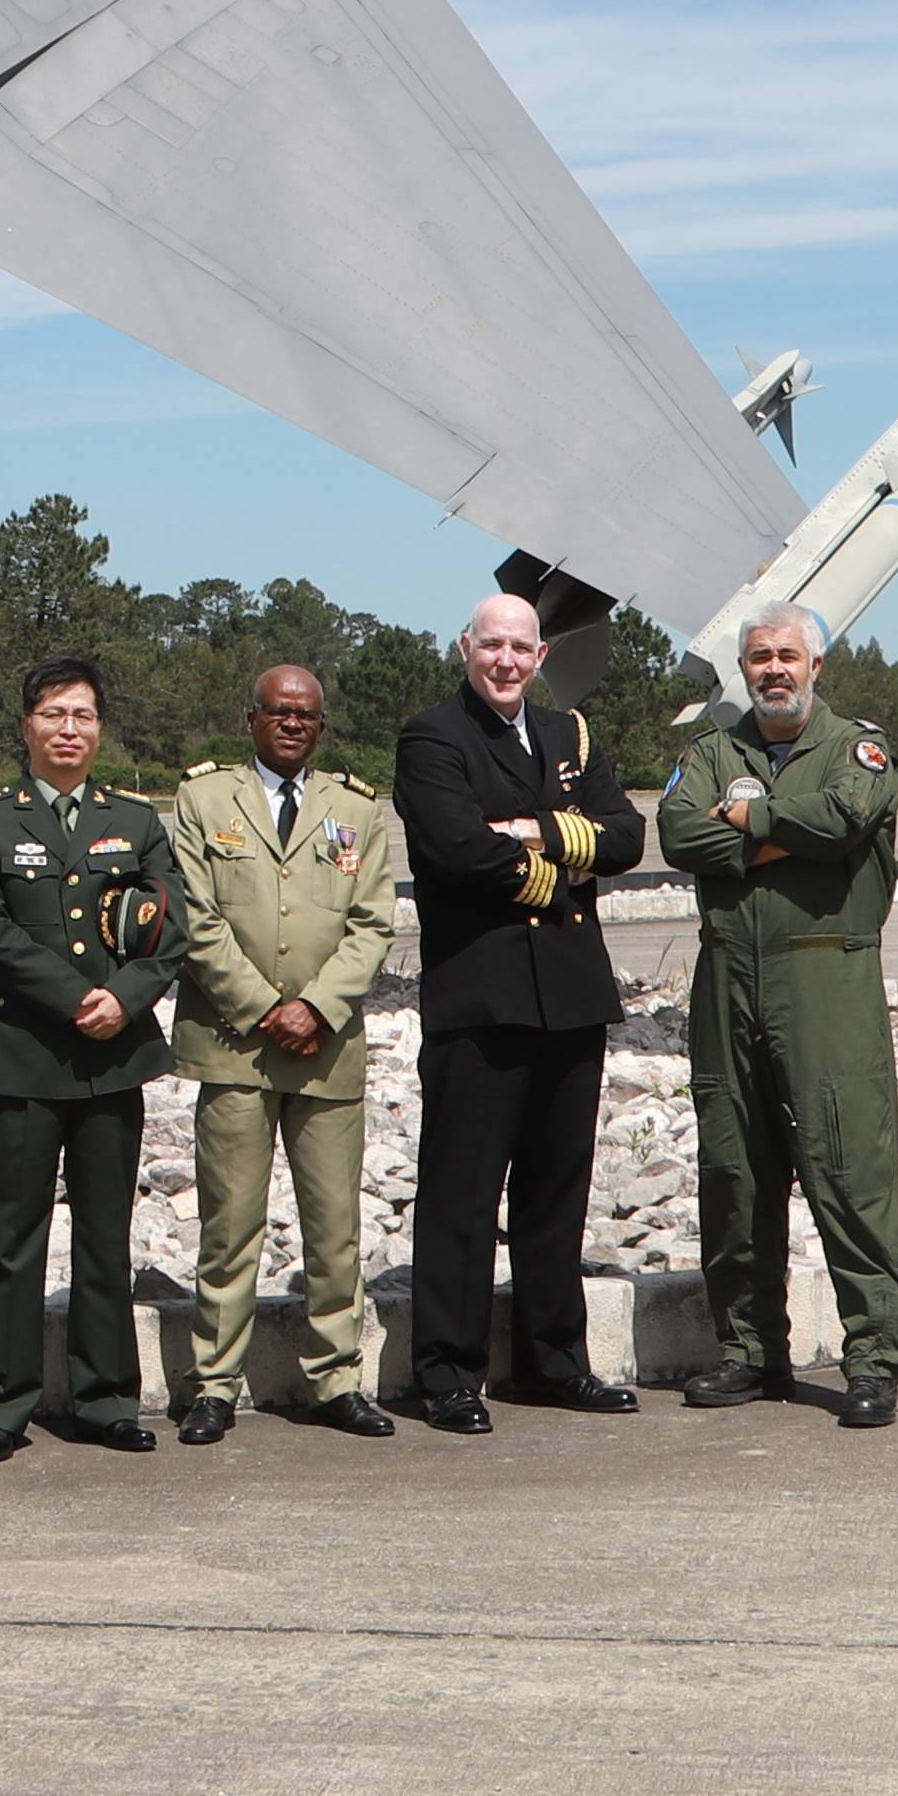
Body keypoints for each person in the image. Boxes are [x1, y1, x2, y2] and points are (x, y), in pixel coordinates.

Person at [655, 611, 898, 1426]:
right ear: (743, 666)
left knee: (847, 1162)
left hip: (826, 971)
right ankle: (749, 1349)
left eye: (788, 656)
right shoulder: (711, 751)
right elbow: (674, 831)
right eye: (760, 657)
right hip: (728, 972)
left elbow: (846, 817)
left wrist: (747, 820)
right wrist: (779, 835)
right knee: (734, 1166)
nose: (774, 669)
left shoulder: (858, 746)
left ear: (818, 664)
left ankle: (873, 1355)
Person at [390, 592, 647, 1433]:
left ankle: (554, 1362)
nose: (505, 660)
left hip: (568, 994)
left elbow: (624, 837)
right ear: (465, 647)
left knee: (555, 1190)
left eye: (520, 647)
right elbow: (456, 846)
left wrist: (529, 828)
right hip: (482, 994)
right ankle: (450, 1373)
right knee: (462, 1193)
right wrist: (556, 860)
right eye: (491, 644)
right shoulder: (433, 736)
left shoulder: (569, 734)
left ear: (541, 656)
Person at [0, 657, 188, 1460]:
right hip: (24, 1051)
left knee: (104, 1235)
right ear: (26, 726)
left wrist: (124, 995)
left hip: (113, 1055)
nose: (69, 728)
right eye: (53, 714)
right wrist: (74, 995)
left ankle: (106, 1397)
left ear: (99, 727)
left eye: (83, 714)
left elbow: (170, 928)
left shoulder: (136, 818)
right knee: (9, 1237)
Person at [165, 665, 403, 1442]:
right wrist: (269, 1008)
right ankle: (213, 1383)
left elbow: (374, 923)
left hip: (327, 1049)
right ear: (251, 718)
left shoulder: (357, 809)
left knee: (333, 1227)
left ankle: (335, 1378)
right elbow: (196, 922)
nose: (293, 723)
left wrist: (317, 1007)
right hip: (235, 1043)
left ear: (321, 727)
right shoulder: (203, 799)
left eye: (307, 714)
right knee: (230, 1227)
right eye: (279, 711)